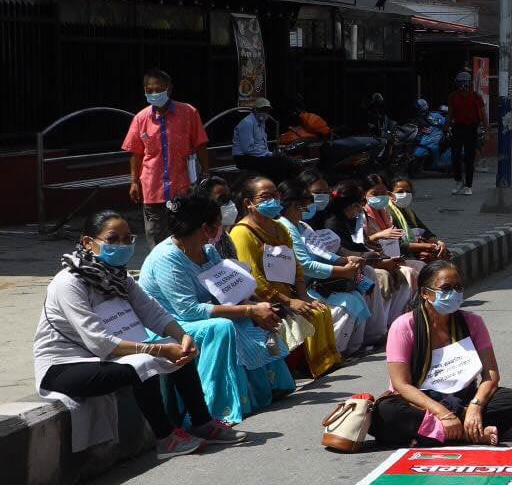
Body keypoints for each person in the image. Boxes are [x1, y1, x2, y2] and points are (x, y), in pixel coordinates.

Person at [35, 210, 241, 458]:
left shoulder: (119, 276)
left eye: (127, 239)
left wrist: (181, 336)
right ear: (88, 242)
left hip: (104, 356)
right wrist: (161, 350)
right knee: (144, 363)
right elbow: (99, 341)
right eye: (112, 240)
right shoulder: (69, 282)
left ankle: (202, 422)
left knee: (177, 347)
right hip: (65, 366)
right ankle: (166, 438)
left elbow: (152, 311)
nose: (121, 246)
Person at [138, 193, 294, 424]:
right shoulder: (167, 259)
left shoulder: (208, 251)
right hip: (169, 325)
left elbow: (227, 294)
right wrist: (249, 310)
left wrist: (255, 307)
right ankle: (212, 408)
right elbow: (188, 310)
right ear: (206, 228)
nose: (222, 229)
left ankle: (269, 388)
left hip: (199, 314)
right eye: (218, 224)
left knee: (250, 315)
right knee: (221, 326)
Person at [372, 261, 512, 447]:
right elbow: (401, 384)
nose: (453, 293)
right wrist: (442, 413)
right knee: (386, 411)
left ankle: (437, 433)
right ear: (425, 293)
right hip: (420, 402)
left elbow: (491, 375)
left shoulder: (472, 322)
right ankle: (469, 433)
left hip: (463, 399)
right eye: (445, 288)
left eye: (458, 287)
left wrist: (475, 406)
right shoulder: (405, 326)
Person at [227, 174, 341, 378]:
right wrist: (289, 302)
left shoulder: (279, 227)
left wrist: (302, 296)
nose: (273, 200)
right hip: (264, 299)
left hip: (288, 294)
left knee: (319, 309)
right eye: (265, 197)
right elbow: (254, 279)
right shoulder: (241, 233)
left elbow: (295, 265)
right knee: (308, 314)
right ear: (248, 203)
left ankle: (323, 362)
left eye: (275, 195)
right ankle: (304, 366)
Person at [278, 179, 370, 356]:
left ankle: (351, 347)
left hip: (320, 281)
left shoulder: (302, 226)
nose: (305, 211)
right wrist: (341, 271)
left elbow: (323, 252)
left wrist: (344, 260)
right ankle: (330, 353)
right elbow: (305, 265)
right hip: (303, 287)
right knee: (347, 304)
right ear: (292, 205)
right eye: (302, 207)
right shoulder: (286, 227)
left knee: (358, 294)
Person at [122, 68, 210, 248]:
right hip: (153, 187)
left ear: (169, 89)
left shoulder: (188, 113)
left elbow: (201, 144)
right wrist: (134, 182)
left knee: (185, 232)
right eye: (149, 90)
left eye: (158, 89)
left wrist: (206, 173)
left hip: (183, 186)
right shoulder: (141, 118)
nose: (154, 94)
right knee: (156, 236)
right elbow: (136, 153)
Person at [318, 180, 412, 342]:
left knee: (395, 275)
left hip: (358, 264)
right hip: (338, 271)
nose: (360, 208)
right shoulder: (334, 223)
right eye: (357, 204)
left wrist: (374, 255)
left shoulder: (348, 220)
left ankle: (383, 327)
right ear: (349, 205)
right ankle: (373, 333)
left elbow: (358, 244)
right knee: (372, 279)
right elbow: (341, 252)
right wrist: (374, 259)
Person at [231, 97, 298, 184]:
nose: (265, 112)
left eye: (267, 110)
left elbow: (262, 145)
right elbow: (248, 149)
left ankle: (287, 186)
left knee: (283, 161)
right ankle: (279, 187)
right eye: (262, 109)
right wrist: (269, 155)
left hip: (257, 155)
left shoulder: (261, 122)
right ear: (255, 110)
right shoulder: (247, 123)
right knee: (278, 164)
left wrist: (270, 154)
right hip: (244, 158)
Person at [387, 177, 451, 262]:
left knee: (442, 251)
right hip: (402, 253)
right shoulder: (388, 213)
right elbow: (397, 245)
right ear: (390, 194)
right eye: (400, 192)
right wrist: (425, 246)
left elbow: (425, 231)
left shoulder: (408, 211)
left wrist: (438, 242)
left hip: (417, 246)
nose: (405, 194)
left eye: (408, 192)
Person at [447, 71, 487, 196]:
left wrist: (487, 131)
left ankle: (468, 185)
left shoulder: (476, 97)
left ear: (469, 84)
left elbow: (483, 115)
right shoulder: (453, 97)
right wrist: (445, 129)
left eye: (465, 83)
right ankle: (459, 181)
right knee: (455, 157)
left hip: (471, 128)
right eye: (460, 83)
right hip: (457, 128)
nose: (463, 86)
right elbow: (450, 114)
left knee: (469, 158)